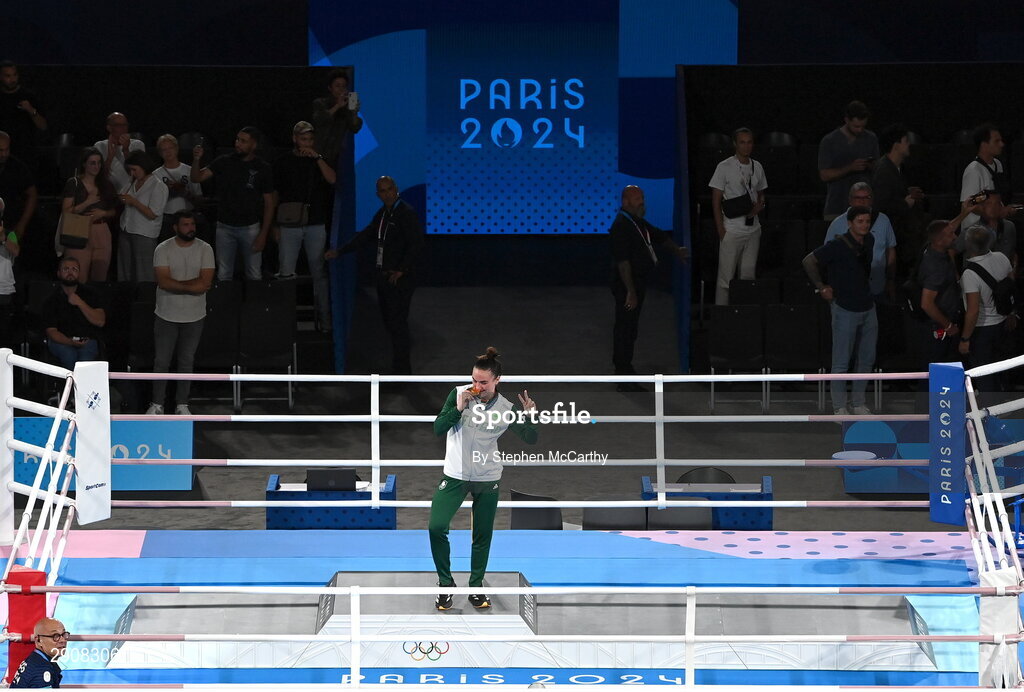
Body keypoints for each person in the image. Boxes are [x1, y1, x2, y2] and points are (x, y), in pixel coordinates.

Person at [429, 347, 538, 611]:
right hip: (455, 476)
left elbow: (530, 438)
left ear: (497, 381)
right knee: (436, 527)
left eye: (483, 382)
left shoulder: (506, 408)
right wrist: (458, 408)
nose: (477, 386)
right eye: (474, 380)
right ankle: (446, 585)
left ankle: (475, 586)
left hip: (487, 477)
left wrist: (530, 415)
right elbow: (438, 428)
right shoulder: (458, 394)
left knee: (482, 535)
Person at [326, 176, 423, 373]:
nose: (387, 194)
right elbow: (366, 236)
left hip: (400, 279)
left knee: (397, 323)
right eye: (382, 191)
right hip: (384, 277)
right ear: (378, 194)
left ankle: (403, 371)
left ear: (396, 189)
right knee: (390, 321)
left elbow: (416, 244)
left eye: (389, 189)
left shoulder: (406, 214)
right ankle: (399, 367)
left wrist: (402, 269)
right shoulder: (383, 215)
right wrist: (341, 251)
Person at [609, 185, 688, 391]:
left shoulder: (637, 222)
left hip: (637, 284)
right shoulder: (621, 226)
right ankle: (623, 375)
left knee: (630, 329)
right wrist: (631, 292)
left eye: (642, 197)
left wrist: (677, 250)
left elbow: (659, 236)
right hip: (628, 288)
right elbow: (623, 262)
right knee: (625, 329)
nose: (642, 202)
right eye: (637, 199)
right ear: (626, 202)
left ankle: (626, 369)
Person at [803, 206, 877, 416]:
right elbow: (809, 260)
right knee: (842, 361)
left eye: (867, 221)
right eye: (860, 221)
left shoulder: (869, 241)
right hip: (844, 308)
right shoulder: (837, 245)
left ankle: (858, 403)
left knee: (866, 358)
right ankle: (839, 407)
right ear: (850, 223)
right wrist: (821, 286)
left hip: (868, 306)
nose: (864, 225)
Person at [146, 211, 215, 416]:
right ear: (175, 227)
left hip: (195, 315)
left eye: (192, 224)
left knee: (186, 360)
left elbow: (206, 283)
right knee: (162, 361)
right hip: (166, 313)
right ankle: (157, 403)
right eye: (185, 225)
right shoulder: (163, 249)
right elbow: (163, 281)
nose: (190, 228)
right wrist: (192, 285)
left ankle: (182, 404)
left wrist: (177, 285)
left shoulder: (205, 249)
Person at [191, 127, 274, 281]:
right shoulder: (224, 161)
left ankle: (253, 305)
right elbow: (197, 177)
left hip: (250, 228)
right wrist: (196, 160)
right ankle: (225, 304)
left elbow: (270, 203)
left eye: (243, 141)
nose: (238, 144)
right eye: (237, 139)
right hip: (224, 227)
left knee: (254, 274)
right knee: (223, 273)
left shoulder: (263, 168)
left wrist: (263, 234)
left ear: (254, 145)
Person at [274, 121, 335, 331]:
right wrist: (274, 225)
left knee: (319, 273)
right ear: (294, 139)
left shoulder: (318, 160)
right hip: (289, 224)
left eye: (310, 139)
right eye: (303, 139)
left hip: (315, 223)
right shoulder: (283, 162)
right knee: (286, 273)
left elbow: (332, 179)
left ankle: (325, 322)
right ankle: (284, 324)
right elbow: (274, 194)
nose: (306, 143)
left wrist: (317, 158)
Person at [914, 202, 979, 367]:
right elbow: (926, 304)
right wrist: (948, 325)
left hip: (944, 321)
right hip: (937, 328)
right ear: (941, 240)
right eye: (951, 235)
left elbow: (946, 228)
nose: (956, 236)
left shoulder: (932, 246)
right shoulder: (936, 267)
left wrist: (964, 213)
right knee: (936, 369)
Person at [709, 127, 767, 305]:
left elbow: (761, 193)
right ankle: (723, 313)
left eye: (749, 142)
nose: (746, 146)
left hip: (752, 228)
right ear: (735, 144)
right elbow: (716, 200)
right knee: (726, 277)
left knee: (748, 275)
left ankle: (744, 313)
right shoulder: (724, 166)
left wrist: (759, 206)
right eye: (742, 142)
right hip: (732, 229)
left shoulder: (757, 166)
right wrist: (721, 230)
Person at [959, 224, 1015, 396]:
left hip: (982, 331)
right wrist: (1012, 313)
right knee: (1001, 370)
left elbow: (973, 310)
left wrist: (965, 338)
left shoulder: (969, 274)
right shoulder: (1002, 258)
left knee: (984, 375)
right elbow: (1011, 287)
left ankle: (989, 413)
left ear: (967, 245)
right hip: (1003, 324)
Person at [823, 183, 897, 301]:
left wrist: (890, 280)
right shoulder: (837, 224)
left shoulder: (883, 220)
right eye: (858, 198)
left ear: (872, 200)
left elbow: (890, 250)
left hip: (877, 287)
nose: (862, 202)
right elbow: (826, 257)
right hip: (846, 290)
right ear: (850, 200)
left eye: (866, 198)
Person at [60, 147, 117, 282]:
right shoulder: (74, 183)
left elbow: (114, 210)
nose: (96, 166)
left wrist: (104, 213)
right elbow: (66, 212)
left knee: (100, 276)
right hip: (78, 228)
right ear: (84, 164)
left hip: (101, 230)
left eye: (99, 163)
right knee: (79, 276)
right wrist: (87, 202)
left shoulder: (106, 184)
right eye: (92, 163)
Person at [872, 124, 924, 270]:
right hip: (895, 240)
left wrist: (906, 192)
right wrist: (905, 203)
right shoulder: (884, 170)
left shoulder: (894, 168)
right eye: (906, 141)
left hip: (900, 238)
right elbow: (880, 205)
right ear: (896, 145)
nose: (909, 145)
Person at [818, 100, 879, 221]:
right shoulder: (829, 141)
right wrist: (850, 168)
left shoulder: (871, 138)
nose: (860, 130)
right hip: (836, 207)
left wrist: (870, 165)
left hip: (864, 210)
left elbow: (877, 168)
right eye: (856, 126)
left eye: (863, 126)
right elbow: (824, 175)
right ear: (846, 120)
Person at [42, 257, 105, 369]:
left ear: (79, 273)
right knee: (69, 355)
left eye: (74, 269)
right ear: (59, 273)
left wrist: (80, 303)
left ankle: (83, 386)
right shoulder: (51, 299)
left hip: (88, 339)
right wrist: (69, 342)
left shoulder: (91, 294)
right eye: (66, 269)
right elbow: (51, 332)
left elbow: (100, 321)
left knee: (85, 358)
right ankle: (71, 386)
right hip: (62, 341)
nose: (70, 272)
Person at [118, 150, 168, 282]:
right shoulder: (132, 182)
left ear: (144, 166)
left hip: (144, 234)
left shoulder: (158, 186)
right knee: (125, 272)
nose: (132, 173)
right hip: (126, 230)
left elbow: (153, 214)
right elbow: (122, 195)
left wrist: (133, 202)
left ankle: (144, 299)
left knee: (143, 273)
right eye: (130, 170)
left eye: (134, 169)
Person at [961, 124, 1010, 230]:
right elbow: (969, 202)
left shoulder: (998, 164)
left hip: (994, 223)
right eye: (997, 141)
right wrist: (996, 213)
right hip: (975, 229)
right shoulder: (974, 169)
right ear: (984, 145)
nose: (1001, 144)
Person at [154, 134, 203, 241]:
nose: (168, 152)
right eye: (164, 149)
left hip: (188, 217)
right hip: (166, 218)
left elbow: (199, 199)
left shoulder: (189, 170)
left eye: (170, 148)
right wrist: (168, 192)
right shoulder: (155, 175)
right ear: (160, 153)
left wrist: (184, 192)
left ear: (177, 148)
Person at [311, 69, 363, 168]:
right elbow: (319, 119)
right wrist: (337, 106)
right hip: (316, 154)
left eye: (344, 86)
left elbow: (355, 128)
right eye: (337, 86)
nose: (341, 89)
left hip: (335, 157)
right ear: (330, 88)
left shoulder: (347, 108)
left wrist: (354, 113)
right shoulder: (320, 103)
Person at [0, 60, 47, 170]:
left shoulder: (29, 96)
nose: (12, 79)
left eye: (14, 75)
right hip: (2, 153)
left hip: (25, 153)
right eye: (8, 76)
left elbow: (43, 126)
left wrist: (31, 110)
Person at [954, 190, 1016, 267]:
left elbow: (1012, 252)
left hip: (1003, 276)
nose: (993, 207)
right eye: (988, 203)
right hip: (977, 277)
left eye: (996, 203)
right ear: (981, 206)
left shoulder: (1009, 227)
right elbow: (952, 250)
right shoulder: (971, 231)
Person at [0, 130, 38, 245]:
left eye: (7, 149)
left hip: (10, 226)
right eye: (0, 150)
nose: (4, 154)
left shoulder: (17, 167)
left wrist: (21, 225)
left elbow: (32, 194)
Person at [93, 112, 145, 193]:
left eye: (125, 125)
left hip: (132, 194)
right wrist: (110, 157)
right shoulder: (100, 146)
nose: (123, 128)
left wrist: (126, 150)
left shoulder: (138, 145)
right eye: (118, 125)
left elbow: (140, 174)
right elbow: (98, 177)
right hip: (108, 195)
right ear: (109, 128)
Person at [9, 617, 66, 688]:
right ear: (39, 640)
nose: (63, 640)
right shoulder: (42, 671)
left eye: (64, 634)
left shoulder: (34, 659)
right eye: (55, 636)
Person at [0, 199, 18, 350]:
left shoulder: (9, 233)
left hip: (3, 291)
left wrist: (3, 239)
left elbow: (16, 251)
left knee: (3, 335)